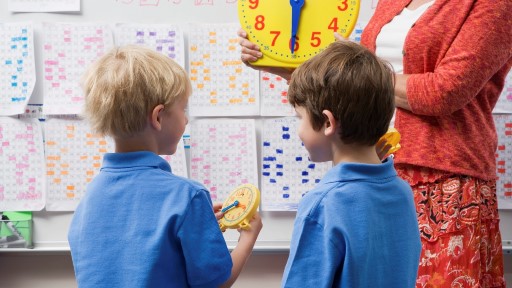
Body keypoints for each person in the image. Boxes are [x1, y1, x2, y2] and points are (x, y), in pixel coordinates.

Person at [239, 0, 511, 286]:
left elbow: (444, 92)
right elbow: (349, 93)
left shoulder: (493, 4)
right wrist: (276, 60)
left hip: (445, 182)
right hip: (378, 171)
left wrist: (354, 76)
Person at [68, 45, 262, 288]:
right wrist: (248, 236)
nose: (186, 118)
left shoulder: (89, 197)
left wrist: (196, 226)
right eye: (183, 109)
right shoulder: (188, 197)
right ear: (158, 116)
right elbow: (216, 284)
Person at [285, 40, 421, 287]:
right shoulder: (402, 192)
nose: (299, 130)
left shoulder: (322, 204)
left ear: (327, 122)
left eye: (300, 118)